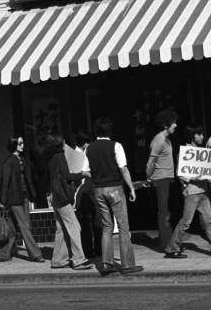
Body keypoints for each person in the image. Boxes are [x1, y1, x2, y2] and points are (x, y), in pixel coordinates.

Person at [81, 117, 143, 275]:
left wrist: (96, 176)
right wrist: (131, 188)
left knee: (106, 227)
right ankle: (127, 264)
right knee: (123, 226)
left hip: (98, 189)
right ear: (110, 131)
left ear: (96, 131)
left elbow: (84, 171)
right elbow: (123, 169)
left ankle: (107, 263)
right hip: (115, 188)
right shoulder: (116, 145)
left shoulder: (90, 148)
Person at [164, 126, 211, 258]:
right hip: (192, 192)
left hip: (203, 191)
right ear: (192, 136)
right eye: (199, 134)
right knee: (186, 221)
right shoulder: (185, 153)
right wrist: (197, 176)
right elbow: (182, 175)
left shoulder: (202, 152)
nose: (202, 137)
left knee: (209, 221)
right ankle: (171, 247)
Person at [41, 133, 93, 270]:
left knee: (61, 229)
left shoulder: (50, 158)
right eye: (63, 141)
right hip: (62, 196)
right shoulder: (60, 156)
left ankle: (59, 259)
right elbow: (67, 176)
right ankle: (78, 259)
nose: (65, 143)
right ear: (59, 143)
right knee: (75, 226)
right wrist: (83, 173)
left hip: (55, 196)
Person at [0, 136, 45, 262]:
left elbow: (28, 178)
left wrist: (32, 194)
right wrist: (3, 200)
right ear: (13, 145)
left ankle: (3, 253)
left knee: (13, 227)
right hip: (14, 198)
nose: (22, 145)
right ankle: (36, 254)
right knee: (25, 226)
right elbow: (5, 182)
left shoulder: (22, 159)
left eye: (22, 143)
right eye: (19, 143)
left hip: (23, 196)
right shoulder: (9, 162)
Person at [146, 110, 178, 251]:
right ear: (166, 125)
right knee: (163, 212)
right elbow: (150, 162)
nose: (175, 125)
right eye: (173, 123)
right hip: (160, 179)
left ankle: (168, 241)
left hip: (167, 179)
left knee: (166, 212)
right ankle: (166, 244)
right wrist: (149, 177)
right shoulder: (158, 140)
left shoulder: (167, 140)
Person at [72, 131, 100, 259]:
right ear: (84, 144)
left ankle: (97, 248)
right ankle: (89, 250)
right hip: (82, 192)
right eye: (88, 143)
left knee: (95, 219)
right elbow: (76, 173)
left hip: (91, 189)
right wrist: (87, 173)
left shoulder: (86, 153)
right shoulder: (76, 155)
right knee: (87, 222)